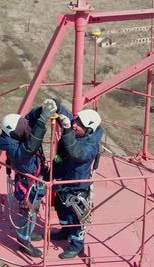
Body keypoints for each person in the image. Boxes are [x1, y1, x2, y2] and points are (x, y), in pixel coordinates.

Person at [0, 99, 59, 258]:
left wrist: (42, 110)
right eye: (23, 125)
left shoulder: (18, 134)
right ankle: (23, 242)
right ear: (14, 132)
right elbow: (29, 148)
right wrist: (42, 120)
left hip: (35, 181)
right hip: (28, 186)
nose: (26, 126)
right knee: (27, 213)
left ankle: (29, 233)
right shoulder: (15, 150)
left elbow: (30, 118)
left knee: (34, 209)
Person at [52, 109, 103, 259]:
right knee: (60, 206)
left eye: (79, 124)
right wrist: (55, 105)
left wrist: (67, 131)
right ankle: (65, 231)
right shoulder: (78, 132)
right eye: (75, 121)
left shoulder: (91, 145)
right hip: (65, 180)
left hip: (77, 186)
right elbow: (67, 117)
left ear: (88, 130)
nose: (74, 125)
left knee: (75, 216)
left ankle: (77, 246)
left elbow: (76, 153)